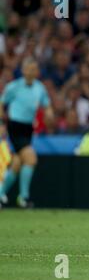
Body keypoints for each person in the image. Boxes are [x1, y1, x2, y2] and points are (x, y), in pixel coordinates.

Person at [0, 58, 53, 208]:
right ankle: (23, 198)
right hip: (15, 126)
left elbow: (46, 105)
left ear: (37, 72)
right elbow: (1, 103)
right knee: (31, 158)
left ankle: (0, 194)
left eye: (34, 69)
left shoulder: (39, 88)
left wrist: (49, 113)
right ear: (23, 71)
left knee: (17, 164)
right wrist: (2, 124)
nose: (31, 72)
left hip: (28, 129)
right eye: (28, 69)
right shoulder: (14, 86)